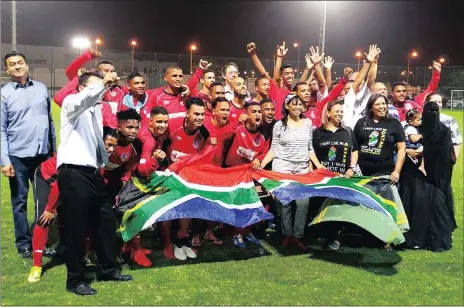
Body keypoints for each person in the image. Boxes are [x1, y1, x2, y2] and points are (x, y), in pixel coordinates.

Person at [57, 70, 132, 296]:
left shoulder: (98, 110)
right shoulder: (72, 103)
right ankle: (75, 280)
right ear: (82, 88)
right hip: (73, 172)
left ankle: (108, 268)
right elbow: (84, 99)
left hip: (91, 172)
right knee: (76, 228)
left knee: (105, 220)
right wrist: (101, 85)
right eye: (95, 85)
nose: (101, 88)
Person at [27, 127, 119, 283]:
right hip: (47, 176)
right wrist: (50, 209)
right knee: (44, 219)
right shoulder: (82, 155)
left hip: (66, 182)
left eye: (113, 146)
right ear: (98, 143)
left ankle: (77, 252)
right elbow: (57, 186)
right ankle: (37, 265)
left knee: (79, 214)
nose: (110, 149)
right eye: (107, 145)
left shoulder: (102, 158)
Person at [1, 51, 56, 258]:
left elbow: (50, 121)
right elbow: (1, 129)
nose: (17, 66)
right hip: (18, 157)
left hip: (43, 155)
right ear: (7, 69)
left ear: (26, 65)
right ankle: (23, 244)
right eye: (12, 64)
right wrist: (5, 161)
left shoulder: (41, 88)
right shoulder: (4, 94)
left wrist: (53, 150)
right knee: (19, 202)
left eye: (20, 62)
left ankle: (41, 242)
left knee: (43, 201)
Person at [261, 94, 324, 250]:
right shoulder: (279, 125)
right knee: (285, 203)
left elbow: (309, 148)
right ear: (287, 106)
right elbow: (273, 149)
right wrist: (261, 166)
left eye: (299, 104)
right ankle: (287, 235)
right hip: (282, 168)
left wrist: (318, 165)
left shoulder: (308, 123)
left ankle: (298, 236)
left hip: (302, 168)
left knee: (303, 203)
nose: (297, 107)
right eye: (293, 104)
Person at [400, 97, 454, 252]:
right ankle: (416, 239)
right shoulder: (419, 128)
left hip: (436, 176)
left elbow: (444, 153)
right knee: (417, 206)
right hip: (417, 177)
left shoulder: (443, 131)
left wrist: (425, 152)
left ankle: (433, 238)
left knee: (436, 208)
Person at [103, 109, 152, 267]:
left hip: (118, 180)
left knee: (131, 210)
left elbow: (131, 165)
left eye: (136, 128)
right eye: (129, 127)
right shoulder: (108, 140)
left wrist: (124, 182)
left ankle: (133, 248)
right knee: (105, 219)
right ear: (118, 127)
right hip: (100, 182)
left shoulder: (136, 144)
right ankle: (107, 253)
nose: (133, 131)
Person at [165, 98, 212, 260]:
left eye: (202, 114)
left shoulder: (204, 133)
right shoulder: (172, 125)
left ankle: (183, 241)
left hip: (188, 178)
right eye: (196, 114)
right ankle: (173, 243)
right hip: (168, 175)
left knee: (187, 209)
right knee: (173, 210)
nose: (200, 117)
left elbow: (204, 154)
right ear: (187, 113)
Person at [312, 100, 359, 250]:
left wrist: (351, 168)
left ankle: (336, 237)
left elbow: (355, 151)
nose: (339, 114)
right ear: (328, 113)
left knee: (338, 208)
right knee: (322, 206)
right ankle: (322, 235)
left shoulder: (347, 131)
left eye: (341, 111)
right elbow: (311, 152)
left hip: (342, 177)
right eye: (336, 111)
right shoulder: (318, 132)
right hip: (323, 177)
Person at [222, 102, 268, 247]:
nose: (257, 114)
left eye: (259, 111)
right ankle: (236, 233)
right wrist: (236, 122)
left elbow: (265, 152)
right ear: (246, 115)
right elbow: (223, 136)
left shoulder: (264, 134)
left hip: (251, 175)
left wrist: (258, 158)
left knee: (252, 203)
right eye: (253, 111)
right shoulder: (238, 128)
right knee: (238, 204)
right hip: (233, 173)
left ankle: (247, 231)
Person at [353, 93, 406, 181]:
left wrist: (397, 171)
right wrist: (352, 167)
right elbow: (354, 148)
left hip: (385, 173)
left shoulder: (394, 123)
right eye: (377, 104)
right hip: (361, 172)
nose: (382, 107)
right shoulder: (361, 122)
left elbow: (401, 149)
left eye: (384, 103)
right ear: (371, 108)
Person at [247, 41, 293, 120]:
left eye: (292, 73)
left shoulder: (291, 94)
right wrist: (253, 54)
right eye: (287, 74)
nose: (290, 76)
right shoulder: (275, 91)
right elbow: (264, 73)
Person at [342, 44, 381, 129]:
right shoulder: (348, 97)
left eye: (362, 81)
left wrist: (374, 62)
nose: (358, 82)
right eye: (353, 80)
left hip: (364, 133)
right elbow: (357, 83)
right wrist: (367, 62)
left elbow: (371, 78)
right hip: (348, 133)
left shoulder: (366, 93)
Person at [403, 108, 426, 174]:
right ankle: (422, 166)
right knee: (426, 149)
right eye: (418, 120)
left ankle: (415, 160)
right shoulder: (411, 128)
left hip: (411, 146)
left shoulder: (410, 127)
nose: (421, 121)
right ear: (410, 122)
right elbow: (413, 139)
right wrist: (421, 135)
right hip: (411, 146)